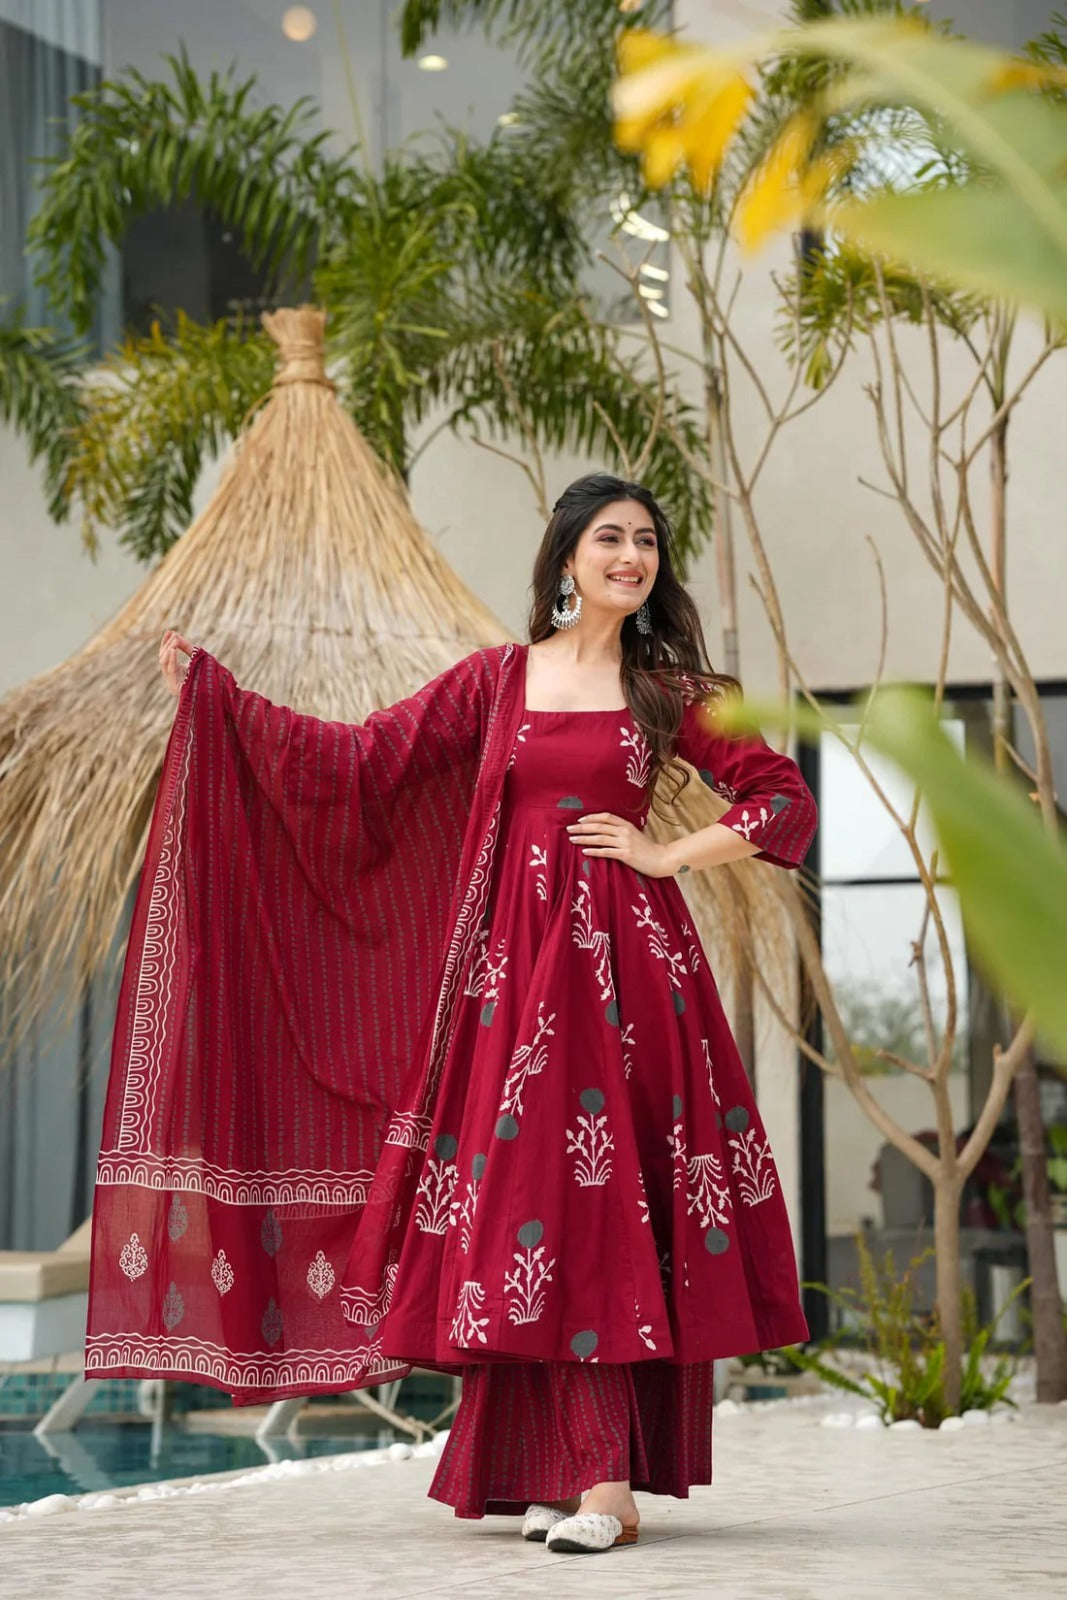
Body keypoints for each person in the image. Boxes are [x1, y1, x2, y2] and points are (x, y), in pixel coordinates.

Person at [93, 473, 815, 1556]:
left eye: (647, 544)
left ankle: (604, 1485)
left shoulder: (667, 691)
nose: (632, 557)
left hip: (629, 982)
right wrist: (222, 698)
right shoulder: (495, 683)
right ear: (565, 557)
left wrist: (666, 851)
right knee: (528, 1211)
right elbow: (355, 764)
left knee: (601, 1208)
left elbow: (781, 798)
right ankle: (551, 1466)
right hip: (511, 991)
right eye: (609, 538)